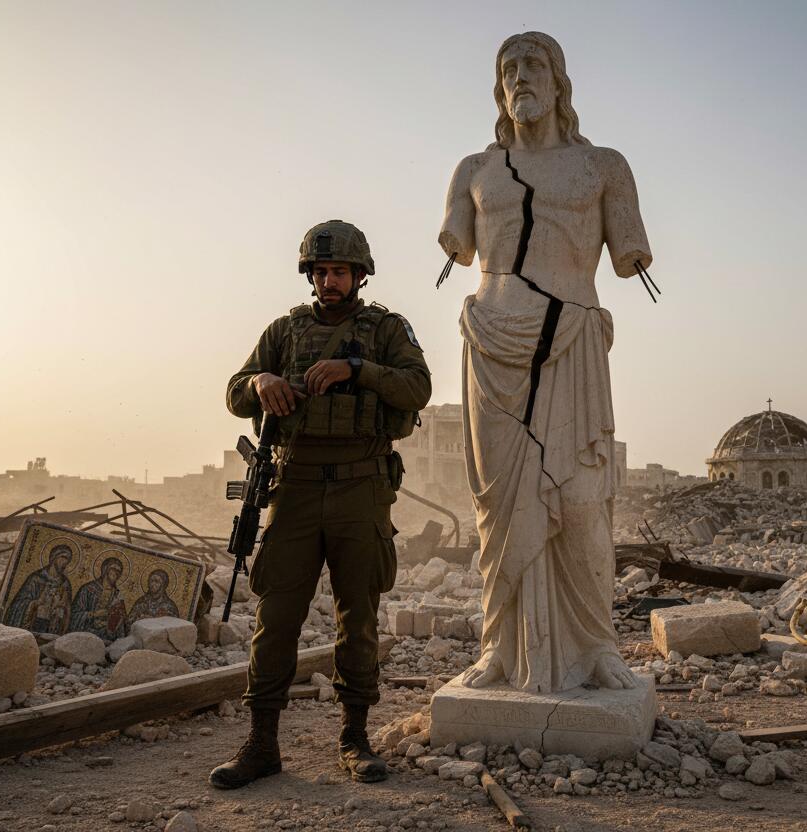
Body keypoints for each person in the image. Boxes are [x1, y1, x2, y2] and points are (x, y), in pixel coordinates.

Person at [439, 32, 651, 693]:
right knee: (499, 508)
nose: (519, 76)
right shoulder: (474, 170)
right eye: (507, 69)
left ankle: (595, 648)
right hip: (490, 343)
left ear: (561, 83)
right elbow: (460, 248)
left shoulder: (603, 167)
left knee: (584, 501)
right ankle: (501, 647)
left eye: (533, 65)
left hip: (571, 341)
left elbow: (628, 252)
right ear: (498, 89)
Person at [211, 220, 431, 789]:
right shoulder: (284, 332)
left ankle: (354, 739)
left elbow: (417, 388)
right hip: (296, 487)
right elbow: (234, 390)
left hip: (361, 488)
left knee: (357, 616)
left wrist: (357, 369)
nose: (328, 281)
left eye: (338, 271)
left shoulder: (385, 329)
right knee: (275, 616)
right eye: (320, 271)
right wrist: (261, 381)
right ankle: (261, 743)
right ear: (310, 276)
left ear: (359, 275)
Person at [2, 544, 74, 634]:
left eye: (68, 559)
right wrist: (37, 602)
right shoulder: (36, 578)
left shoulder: (65, 583)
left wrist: (63, 605)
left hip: (54, 628)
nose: (65, 562)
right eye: (63, 557)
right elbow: (18, 603)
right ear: (54, 557)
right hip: (34, 626)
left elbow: (68, 611)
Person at [70, 556, 128, 641]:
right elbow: (74, 614)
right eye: (113, 568)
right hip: (85, 635)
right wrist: (93, 614)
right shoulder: (88, 589)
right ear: (105, 569)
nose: (116, 572)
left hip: (106, 638)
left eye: (119, 571)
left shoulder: (117, 596)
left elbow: (122, 623)